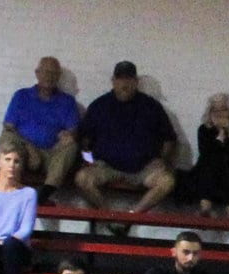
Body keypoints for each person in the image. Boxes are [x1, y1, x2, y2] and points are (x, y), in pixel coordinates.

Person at [74, 60, 177, 219]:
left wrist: (162, 160)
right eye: (120, 79)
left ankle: (131, 217)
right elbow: (84, 140)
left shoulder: (151, 106)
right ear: (113, 81)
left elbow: (169, 139)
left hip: (143, 168)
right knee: (82, 178)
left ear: (136, 82)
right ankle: (110, 216)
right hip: (105, 166)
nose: (124, 84)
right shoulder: (99, 106)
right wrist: (88, 160)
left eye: (129, 80)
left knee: (167, 182)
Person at [0, 56, 81, 194]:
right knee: (7, 138)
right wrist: (29, 147)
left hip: (50, 156)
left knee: (71, 144)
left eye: (54, 73)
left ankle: (46, 193)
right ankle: (10, 188)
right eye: (46, 72)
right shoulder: (22, 96)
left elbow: (73, 131)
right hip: (24, 152)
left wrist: (69, 135)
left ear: (59, 76)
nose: (49, 76)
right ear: (37, 73)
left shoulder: (67, 101)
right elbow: (8, 127)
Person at [191, 93, 229, 218]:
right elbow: (206, 154)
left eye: (223, 109)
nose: (219, 113)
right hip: (208, 169)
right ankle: (205, 208)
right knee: (210, 164)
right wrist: (219, 140)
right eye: (215, 109)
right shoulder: (204, 129)